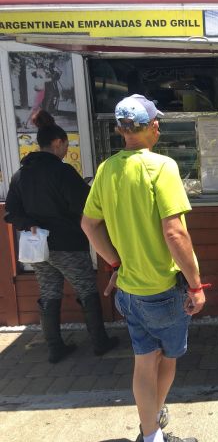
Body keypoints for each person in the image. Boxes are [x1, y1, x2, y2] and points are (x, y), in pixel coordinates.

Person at [81, 94, 206, 442]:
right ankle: (152, 423)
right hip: (164, 291)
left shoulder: (106, 170)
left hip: (130, 291)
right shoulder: (162, 167)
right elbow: (174, 232)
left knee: (143, 362)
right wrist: (196, 286)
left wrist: (116, 264)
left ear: (122, 130)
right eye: (158, 123)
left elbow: (89, 225)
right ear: (152, 127)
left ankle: (150, 433)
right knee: (167, 360)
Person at [4, 110, 119, 364]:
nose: (66, 150)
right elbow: (85, 204)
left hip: (37, 247)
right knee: (87, 289)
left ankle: (55, 347)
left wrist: (30, 224)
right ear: (57, 143)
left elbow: (11, 212)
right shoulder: (62, 172)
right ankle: (99, 342)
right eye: (66, 145)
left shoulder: (20, 175)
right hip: (67, 243)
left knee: (49, 292)